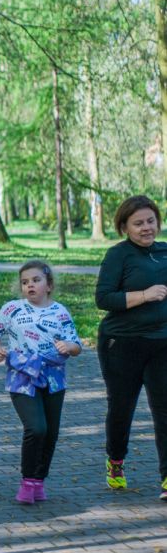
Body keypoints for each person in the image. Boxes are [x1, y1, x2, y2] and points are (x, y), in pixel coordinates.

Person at [0, 260, 82, 504]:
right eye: (25, 282)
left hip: (53, 378)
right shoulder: (12, 309)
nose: (30, 285)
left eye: (36, 280)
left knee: (50, 433)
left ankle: (39, 481)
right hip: (22, 377)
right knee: (36, 428)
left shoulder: (60, 312)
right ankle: (27, 480)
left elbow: (76, 345)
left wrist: (68, 346)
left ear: (48, 285)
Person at [95, 195, 167, 501]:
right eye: (138, 223)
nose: (146, 228)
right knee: (122, 409)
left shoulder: (165, 251)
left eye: (151, 221)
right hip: (121, 344)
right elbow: (104, 299)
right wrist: (144, 295)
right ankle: (115, 462)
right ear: (124, 226)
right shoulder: (118, 255)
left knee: (164, 411)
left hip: (162, 343)